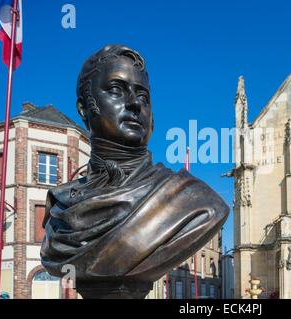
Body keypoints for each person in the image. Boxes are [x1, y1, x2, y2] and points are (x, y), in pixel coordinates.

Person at [40, 45, 229, 298]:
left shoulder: (197, 202)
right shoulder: (59, 211)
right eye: (116, 90)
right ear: (84, 108)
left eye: (143, 97)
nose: (134, 104)